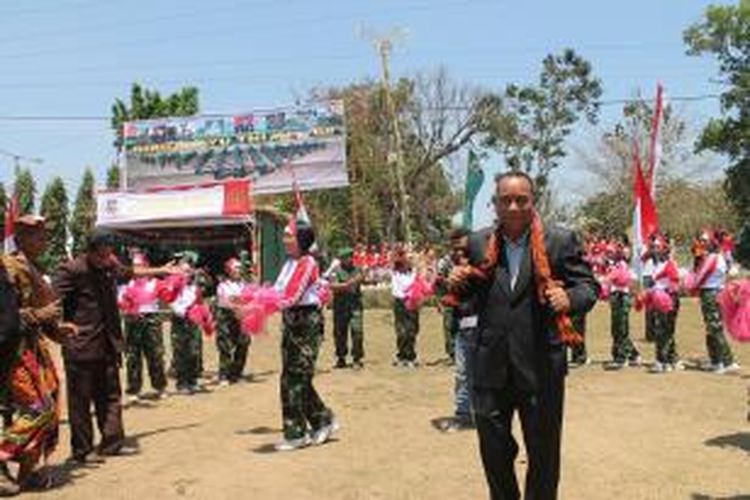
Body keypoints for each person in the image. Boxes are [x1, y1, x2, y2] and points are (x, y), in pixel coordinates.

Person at [448, 172, 599, 500]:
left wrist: (570, 299)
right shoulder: (477, 243)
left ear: (534, 201)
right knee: (494, 451)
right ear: (495, 204)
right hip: (490, 366)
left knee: (543, 454)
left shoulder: (559, 241)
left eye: (521, 199)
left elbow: (589, 287)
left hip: (541, 365)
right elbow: (466, 298)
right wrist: (454, 281)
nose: (514, 207)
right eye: (506, 200)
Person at [53, 229, 173, 463]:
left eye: (109, 254)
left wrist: (162, 270)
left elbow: (131, 271)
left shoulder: (109, 266)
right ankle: (82, 451)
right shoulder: (72, 270)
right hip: (81, 345)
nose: (107, 259)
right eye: (102, 255)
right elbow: (49, 297)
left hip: (108, 344)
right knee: (80, 402)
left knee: (110, 396)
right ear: (90, 251)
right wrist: (58, 325)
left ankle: (112, 443)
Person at [0, 216, 75, 494]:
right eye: (39, 236)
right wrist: (39, 315)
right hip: (12, 351)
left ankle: (27, 472)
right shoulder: (8, 267)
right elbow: (6, 315)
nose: (45, 241)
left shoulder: (32, 266)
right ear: (20, 237)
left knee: (50, 405)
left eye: (45, 235)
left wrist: (58, 330)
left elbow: (41, 311)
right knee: (37, 408)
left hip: (33, 346)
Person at [274, 218, 338, 451]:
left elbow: (292, 296)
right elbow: (277, 290)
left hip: (305, 323)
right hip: (291, 322)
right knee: (294, 377)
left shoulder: (308, 263)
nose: (284, 240)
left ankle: (297, 434)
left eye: (289, 235)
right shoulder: (289, 263)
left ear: (301, 238)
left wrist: (263, 306)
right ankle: (323, 420)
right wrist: (251, 299)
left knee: (295, 378)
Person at [121, 250, 168, 404]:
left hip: (151, 320)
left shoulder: (155, 282)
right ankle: (134, 390)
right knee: (133, 356)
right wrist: (129, 309)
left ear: (147, 266)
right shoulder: (127, 284)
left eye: (140, 265)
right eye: (134, 266)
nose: (137, 269)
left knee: (156, 354)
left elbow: (168, 297)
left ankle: (160, 386)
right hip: (132, 321)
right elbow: (121, 303)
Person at [691, 232, 740, 374]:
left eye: (705, 242)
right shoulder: (719, 257)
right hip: (716, 292)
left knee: (714, 328)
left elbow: (701, 276)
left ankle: (720, 362)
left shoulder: (713, 258)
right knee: (714, 327)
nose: (702, 244)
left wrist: (692, 287)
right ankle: (724, 360)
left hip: (710, 294)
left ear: (713, 244)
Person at [215, 257, 251, 386]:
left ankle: (236, 373)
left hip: (243, 316)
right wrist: (241, 301)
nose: (238, 270)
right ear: (229, 270)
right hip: (226, 317)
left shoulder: (245, 284)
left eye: (239, 268)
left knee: (243, 343)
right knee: (225, 345)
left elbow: (249, 298)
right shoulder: (223, 285)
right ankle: (224, 374)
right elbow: (228, 300)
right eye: (235, 267)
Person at [649, 237, 682, 373]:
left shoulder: (670, 264)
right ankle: (672, 359)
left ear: (664, 249)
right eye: (654, 247)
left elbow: (675, 282)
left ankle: (662, 361)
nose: (655, 250)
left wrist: (667, 294)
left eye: (658, 247)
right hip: (660, 299)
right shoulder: (658, 264)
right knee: (665, 330)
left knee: (664, 330)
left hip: (669, 299)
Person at [330, 247, 365, 369]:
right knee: (340, 333)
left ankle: (357, 358)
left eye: (350, 257)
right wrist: (347, 285)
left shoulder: (358, 269)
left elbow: (363, 278)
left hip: (355, 305)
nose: (348, 259)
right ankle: (341, 357)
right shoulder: (336, 270)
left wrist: (358, 279)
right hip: (340, 306)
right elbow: (333, 286)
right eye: (345, 258)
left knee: (357, 331)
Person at [390, 247, 420, 368]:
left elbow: (417, 262)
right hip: (399, 302)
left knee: (412, 330)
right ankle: (401, 355)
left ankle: (411, 356)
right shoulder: (394, 271)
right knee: (401, 331)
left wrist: (411, 256)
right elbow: (394, 257)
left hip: (411, 301)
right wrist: (401, 252)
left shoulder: (414, 272)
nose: (405, 261)